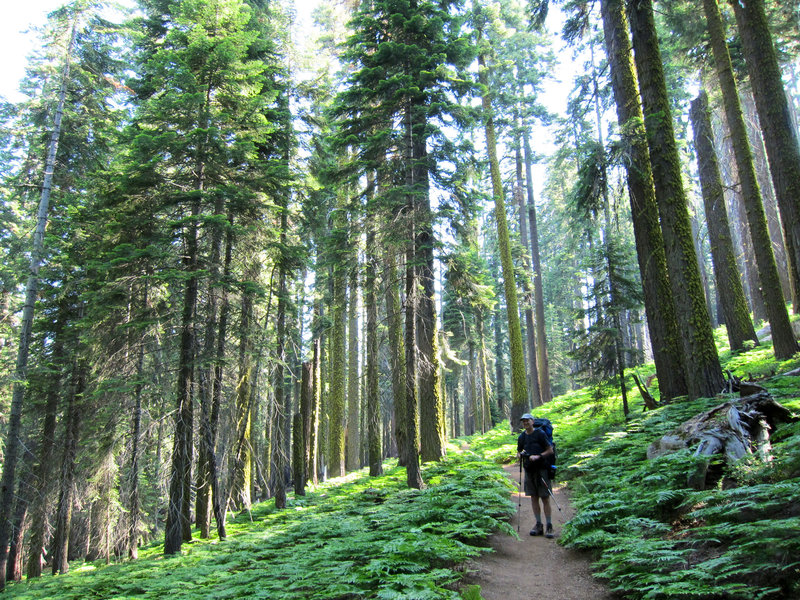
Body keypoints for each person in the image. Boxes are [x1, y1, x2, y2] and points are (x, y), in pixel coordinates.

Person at [517, 413, 555, 538]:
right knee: (533, 497)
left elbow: (550, 450)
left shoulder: (540, 434)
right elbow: (518, 452)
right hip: (529, 470)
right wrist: (521, 455)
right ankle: (539, 524)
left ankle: (549, 525)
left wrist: (538, 456)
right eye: (523, 421)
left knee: (545, 497)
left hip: (542, 469)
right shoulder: (522, 437)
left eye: (527, 420)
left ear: (532, 421)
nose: (525, 423)